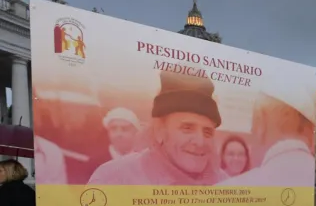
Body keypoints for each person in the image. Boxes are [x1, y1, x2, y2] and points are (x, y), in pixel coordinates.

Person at [88, 70, 225, 185]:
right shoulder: (114, 180)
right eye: (187, 128)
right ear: (160, 130)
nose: (200, 142)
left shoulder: (226, 184)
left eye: (207, 132)